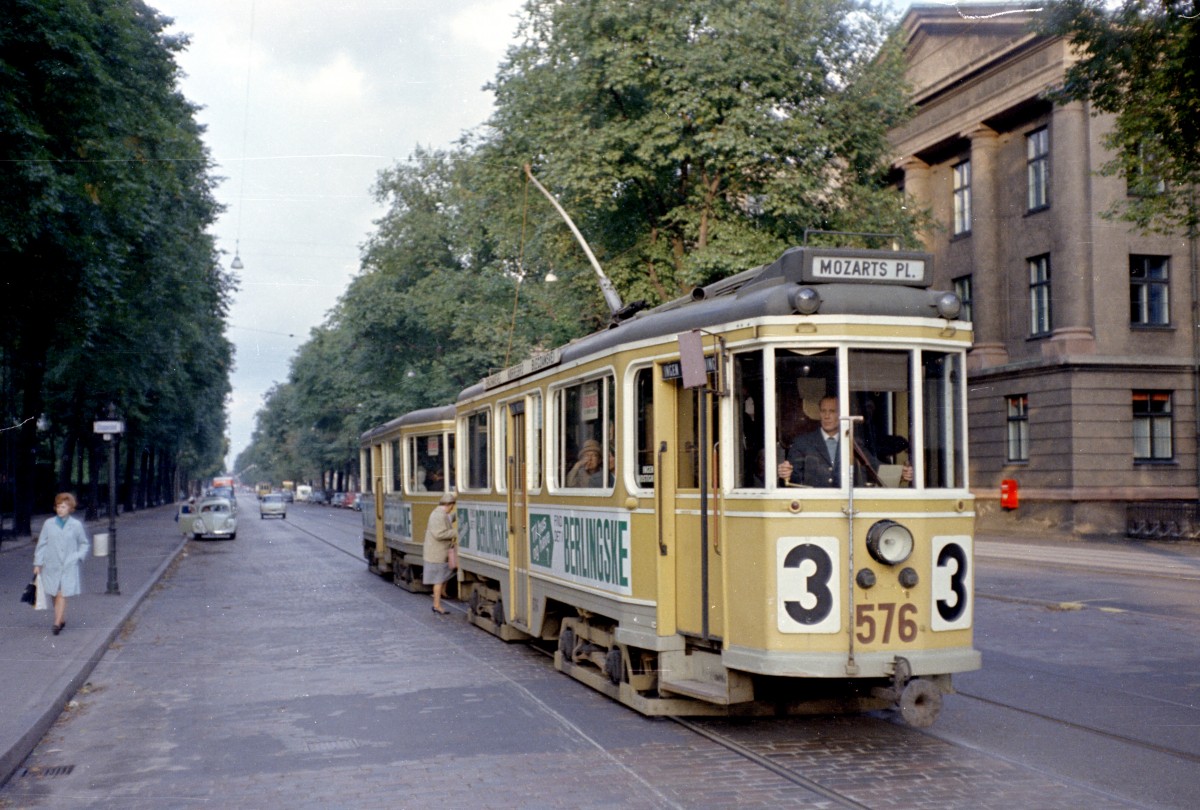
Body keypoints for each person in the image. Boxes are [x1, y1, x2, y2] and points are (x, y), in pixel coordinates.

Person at [777, 396, 912, 487]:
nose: (827, 416)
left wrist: (901, 474)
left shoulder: (853, 442)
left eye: (832, 411)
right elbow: (792, 479)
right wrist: (785, 473)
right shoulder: (802, 442)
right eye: (823, 411)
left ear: (841, 414)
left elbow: (873, 468)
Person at [33, 492, 90, 635]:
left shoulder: (76, 525)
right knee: (53, 592)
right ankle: (62, 618)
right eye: (58, 506)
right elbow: (42, 544)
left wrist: (77, 556)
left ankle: (57, 623)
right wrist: (37, 564)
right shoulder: (48, 524)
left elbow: (84, 543)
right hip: (50, 564)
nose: (60, 509)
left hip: (68, 565)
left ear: (70, 508)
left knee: (62, 593)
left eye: (63, 507)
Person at [422, 491, 458, 614]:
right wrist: (458, 532)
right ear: (448, 505)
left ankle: (442, 595)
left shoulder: (441, 513)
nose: (452, 509)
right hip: (437, 553)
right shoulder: (438, 515)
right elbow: (439, 534)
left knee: (442, 576)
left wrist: (458, 515)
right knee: (438, 579)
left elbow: (448, 519)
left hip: (439, 552)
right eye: (452, 506)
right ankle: (436, 605)